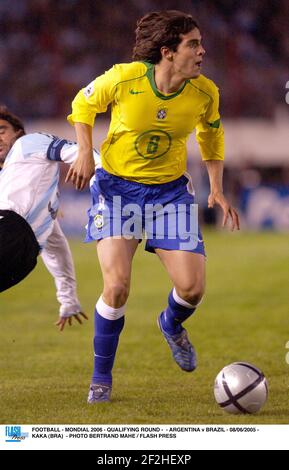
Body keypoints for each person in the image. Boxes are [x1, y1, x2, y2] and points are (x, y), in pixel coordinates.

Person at [66, 10, 240, 403]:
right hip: (116, 190)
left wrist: (217, 188)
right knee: (117, 286)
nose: (202, 51)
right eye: (193, 44)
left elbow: (211, 136)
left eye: (200, 43)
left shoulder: (205, 92)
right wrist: (82, 152)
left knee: (192, 289)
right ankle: (101, 379)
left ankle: (171, 323)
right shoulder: (125, 78)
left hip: (169, 195)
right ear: (167, 52)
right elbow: (82, 104)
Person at [0, 107, 99, 330]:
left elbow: (78, 152)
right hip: (24, 255)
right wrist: (68, 299)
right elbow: (55, 246)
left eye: (2, 130)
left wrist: (110, 172)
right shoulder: (21, 184)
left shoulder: (29, 143)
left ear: (18, 132)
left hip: (12, 234)